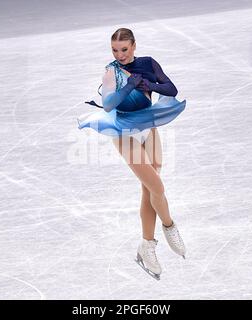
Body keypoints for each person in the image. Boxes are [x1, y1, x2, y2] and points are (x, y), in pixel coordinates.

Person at [77, 28, 186, 280]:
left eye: (124, 49)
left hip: (148, 126)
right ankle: (169, 226)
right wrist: (128, 87)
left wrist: (147, 83)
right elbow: (108, 104)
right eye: (115, 50)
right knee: (157, 187)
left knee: (149, 189)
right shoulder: (110, 72)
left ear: (134, 46)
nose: (120, 54)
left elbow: (171, 89)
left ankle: (146, 246)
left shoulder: (148, 63)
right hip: (125, 133)